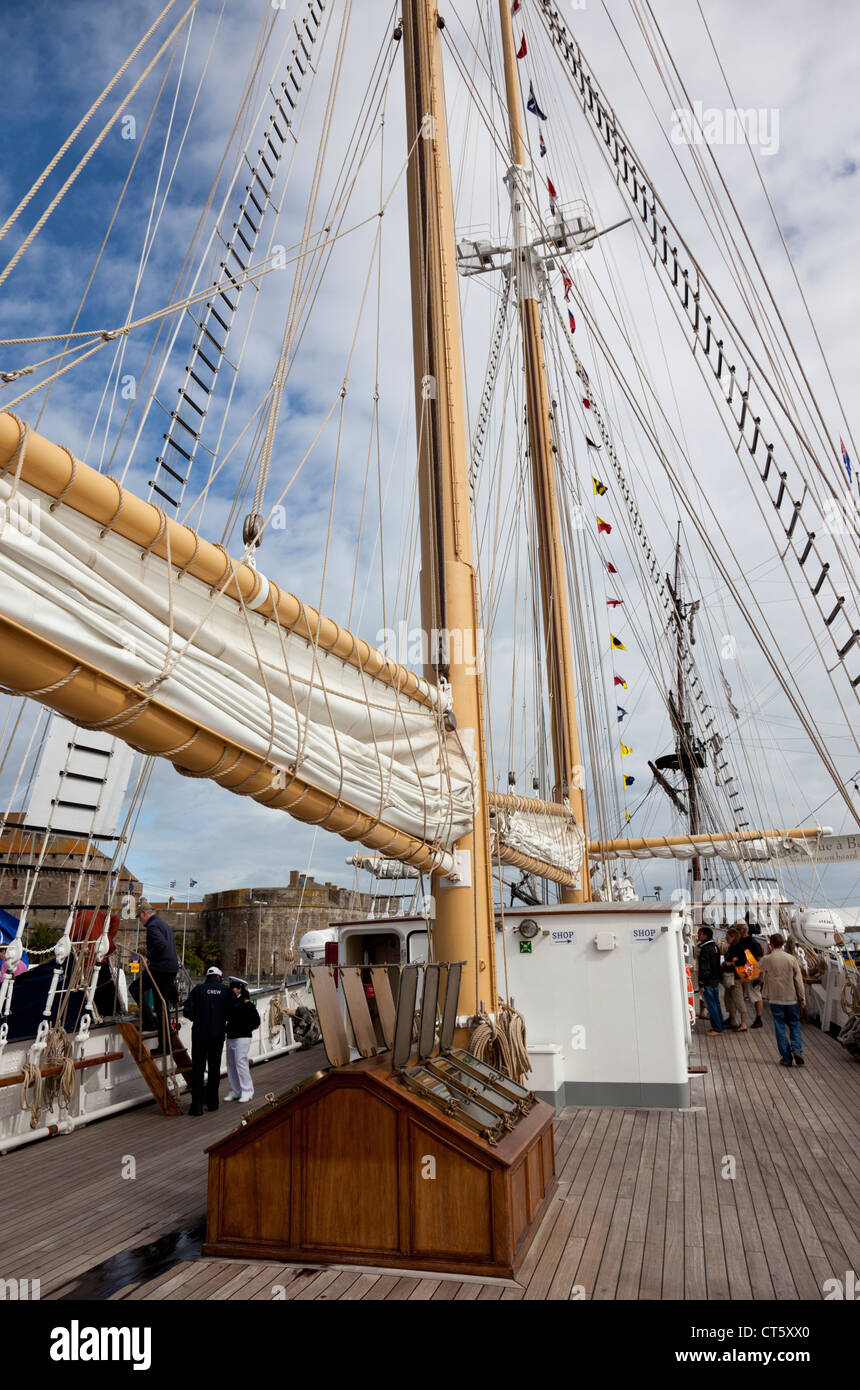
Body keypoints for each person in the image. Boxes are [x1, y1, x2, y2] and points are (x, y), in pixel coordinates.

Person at [182, 966, 234, 1114]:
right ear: (218, 977)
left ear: (207, 977)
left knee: (198, 1069)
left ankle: (197, 1106)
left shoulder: (198, 990)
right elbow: (233, 1010)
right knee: (214, 1069)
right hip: (217, 1035)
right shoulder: (225, 991)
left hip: (199, 1034)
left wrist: (197, 1018)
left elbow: (187, 1011)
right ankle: (213, 1103)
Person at [758, 933, 806, 1067]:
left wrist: (768, 953)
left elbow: (758, 967)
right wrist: (802, 999)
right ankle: (797, 1050)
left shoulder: (768, 959)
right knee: (794, 1024)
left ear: (771, 944)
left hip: (775, 999)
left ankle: (786, 1057)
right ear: (783, 943)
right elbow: (798, 981)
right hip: (791, 998)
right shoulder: (791, 959)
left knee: (780, 1027)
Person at [138, 902, 179, 1054]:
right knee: (162, 1006)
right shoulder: (163, 924)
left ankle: (148, 1022)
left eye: (139, 917)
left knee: (135, 987)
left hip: (160, 969)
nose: (140, 921)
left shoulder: (152, 926)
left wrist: (148, 956)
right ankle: (168, 1045)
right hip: (170, 968)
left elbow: (161, 944)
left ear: (144, 914)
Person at [722, 919, 764, 1030]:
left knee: (755, 996)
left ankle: (758, 1018)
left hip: (750, 974)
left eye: (736, 929)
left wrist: (761, 976)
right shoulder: (738, 943)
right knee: (737, 997)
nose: (735, 931)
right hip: (740, 974)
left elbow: (760, 960)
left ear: (742, 930)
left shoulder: (753, 943)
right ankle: (733, 1019)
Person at [224, 977, 260, 1103]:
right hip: (231, 1036)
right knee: (231, 1065)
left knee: (241, 1063)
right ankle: (235, 1091)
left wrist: (245, 1029)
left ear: (239, 989)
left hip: (242, 1037)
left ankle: (247, 1091)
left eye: (232, 988)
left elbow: (256, 1022)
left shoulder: (247, 1004)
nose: (230, 990)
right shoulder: (230, 1003)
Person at [696, 926, 723, 1034]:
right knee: (716, 1004)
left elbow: (705, 968)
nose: (698, 935)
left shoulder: (705, 949)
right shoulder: (715, 947)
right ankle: (720, 1025)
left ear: (705, 935)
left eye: (700, 934)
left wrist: (701, 984)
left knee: (711, 1006)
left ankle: (717, 1028)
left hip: (708, 982)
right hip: (715, 980)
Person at [720, 926, 745, 1030]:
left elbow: (742, 961)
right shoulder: (731, 947)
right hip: (729, 977)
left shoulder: (738, 948)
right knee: (728, 999)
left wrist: (730, 963)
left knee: (738, 1000)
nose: (726, 938)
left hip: (735, 978)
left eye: (728, 937)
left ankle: (743, 1024)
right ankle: (733, 1021)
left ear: (733, 937)